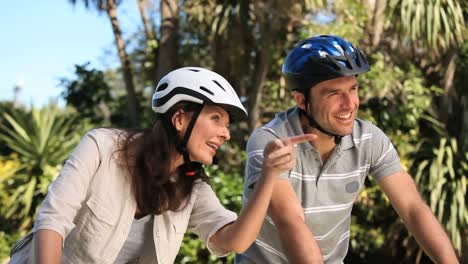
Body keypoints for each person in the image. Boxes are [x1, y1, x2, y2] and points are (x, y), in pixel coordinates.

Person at [9, 67, 315, 264]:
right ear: (180, 118)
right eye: (216, 118)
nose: (226, 132)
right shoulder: (101, 146)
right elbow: (52, 220)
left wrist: (269, 177)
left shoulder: (192, 186)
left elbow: (235, 240)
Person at [235, 35, 459, 264]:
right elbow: (290, 221)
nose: (350, 103)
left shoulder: (369, 139)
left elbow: (412, 209)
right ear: (302, 100)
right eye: (334, 93)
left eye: (353, 89)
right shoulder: (270, 142)